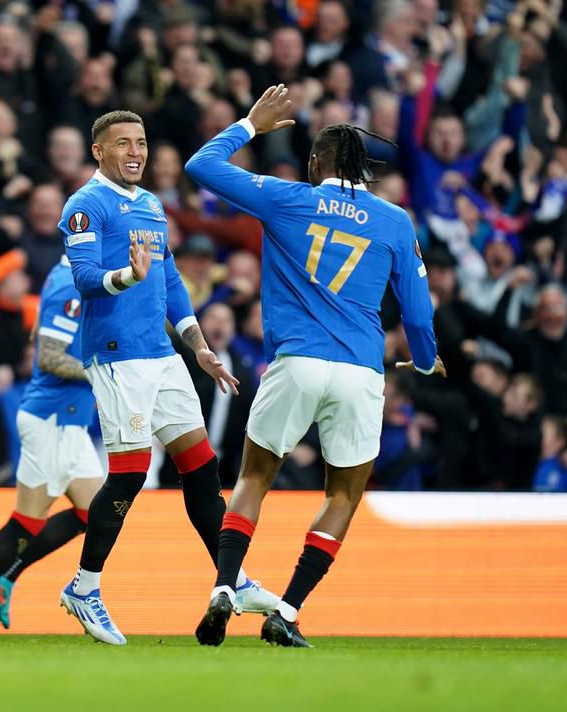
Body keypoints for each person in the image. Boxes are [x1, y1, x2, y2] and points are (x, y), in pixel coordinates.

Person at [184, 85, 443, 648]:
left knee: (254, 479)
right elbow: (419, 317)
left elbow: (200, 166)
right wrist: (423, 362)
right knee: (343, 495)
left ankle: (225, 587)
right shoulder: (395, 221)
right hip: (359, 372)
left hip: (295, 362)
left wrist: (251, 124)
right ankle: (289, 608)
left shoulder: (287, 198)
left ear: (315, 163)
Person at [57, 110, 278, 647]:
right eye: (123, 144)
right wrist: (125, 276)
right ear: (98, 152)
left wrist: (198, 345)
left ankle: (234, 579)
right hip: (117, 356)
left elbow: (172, 281)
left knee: (201, 468)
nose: (135, 152)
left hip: (163, 355)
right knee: (130, 473)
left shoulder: (152, 205)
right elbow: (85, 279)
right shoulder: (86, 206)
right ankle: (84, 588)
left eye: (141, 142)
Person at [0, 255, 104, 637]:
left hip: (69, 421)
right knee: (26, 522)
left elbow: (39, 336)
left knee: (94, 515)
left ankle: (6, 576)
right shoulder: (70, 287)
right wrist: (105, 371)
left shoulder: (67, 276)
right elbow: (47, 356)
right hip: (53, 419)